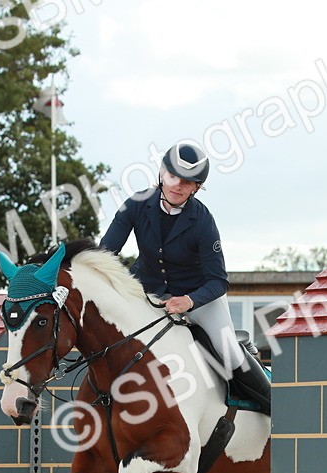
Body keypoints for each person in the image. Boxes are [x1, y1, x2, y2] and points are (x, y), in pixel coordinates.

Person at [99, 142, 270, 412]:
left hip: (198, 296)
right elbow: (105, 254)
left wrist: (189, 301)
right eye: (172, 177)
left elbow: (219, 281)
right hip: (147, 291)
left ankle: (273, 407)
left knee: (228, 350)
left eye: (187, 182)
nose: (177, 186)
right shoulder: (136, 204)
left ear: (196, 188)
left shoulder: (203, 221)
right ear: (161, 174)